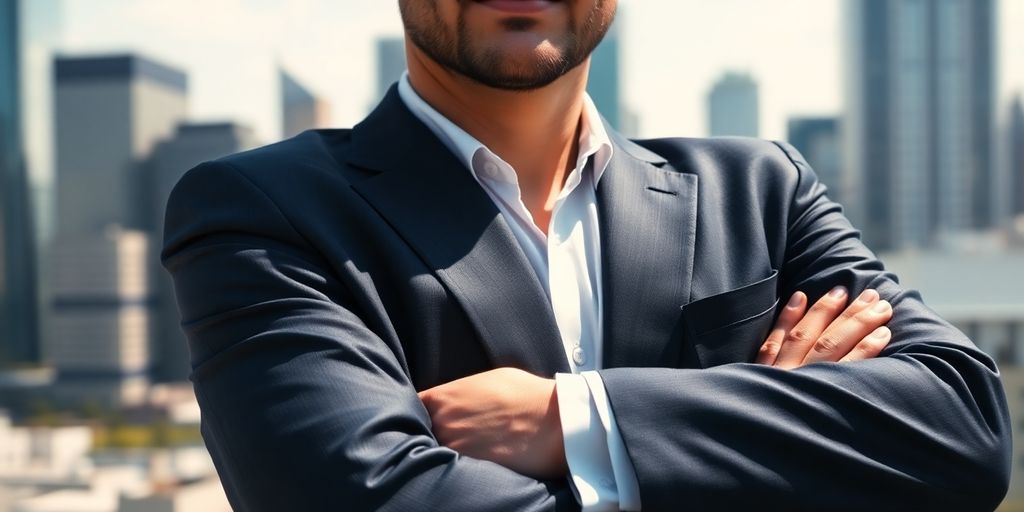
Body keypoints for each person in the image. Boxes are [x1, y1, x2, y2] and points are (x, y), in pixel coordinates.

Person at [161, 1, 1011, 510]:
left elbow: (962, 430)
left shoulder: (760, 189)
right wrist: (777, 428)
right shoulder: (262, 210)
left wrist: (571, 421)